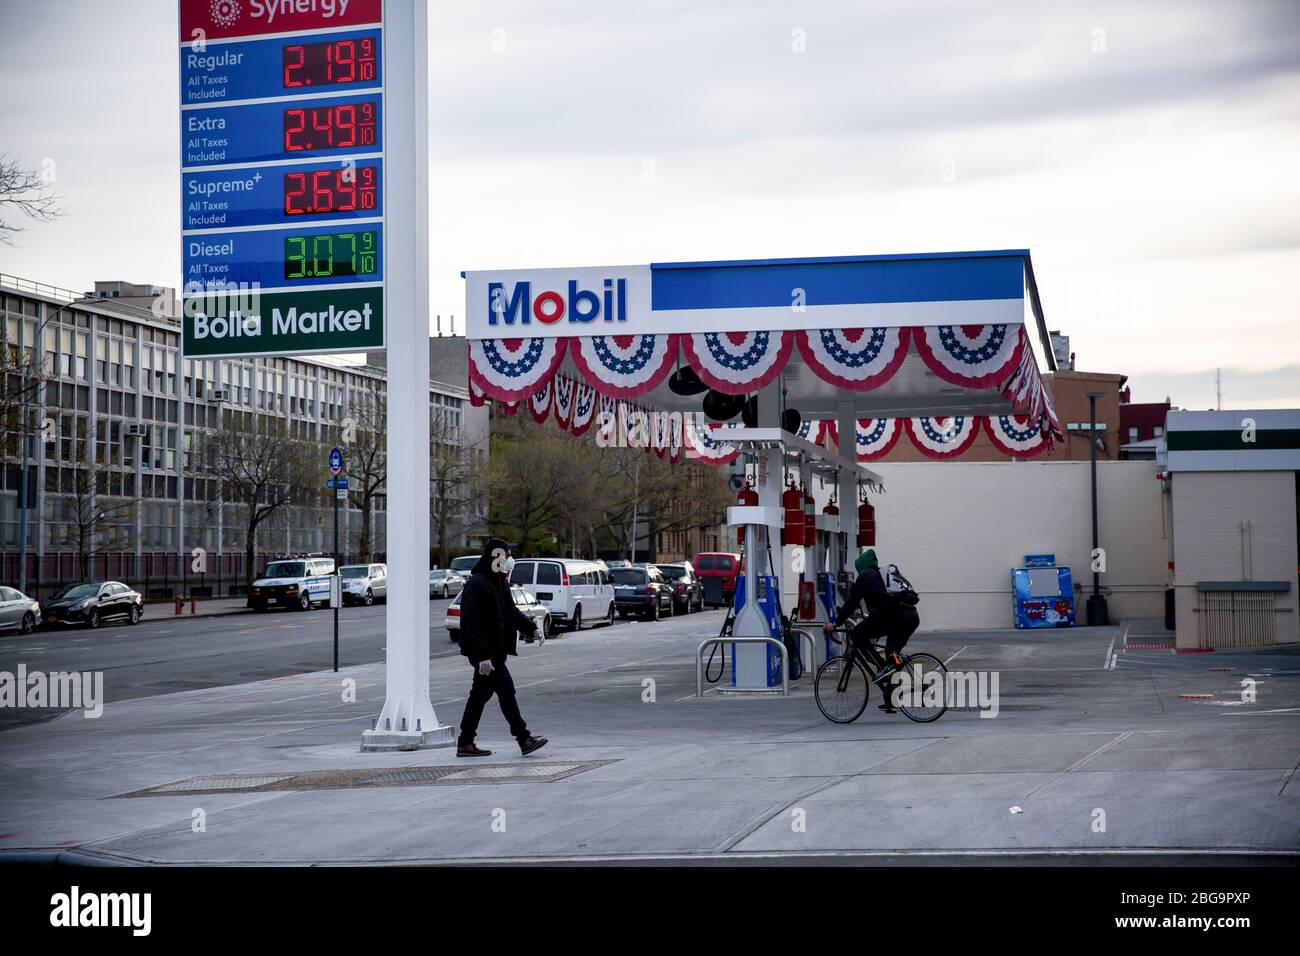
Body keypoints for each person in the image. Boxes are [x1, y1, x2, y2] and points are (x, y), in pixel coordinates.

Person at [456, 538, 548, 757]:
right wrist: (483, 657)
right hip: (487, 654)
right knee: (507, 691)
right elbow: (472, 623)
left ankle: (465, 742)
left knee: (479, 696)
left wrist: (532, 629)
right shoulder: (477, 584)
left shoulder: (498, 582)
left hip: (495, 651)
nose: (508, 559)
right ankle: (523, 738)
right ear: (495, 556)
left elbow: (511, 613)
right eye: (505, 554)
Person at [823, 548, 920, 713]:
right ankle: (891, 698)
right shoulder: (881, 576)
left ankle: (882, 667)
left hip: (893, 618)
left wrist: (836, 624)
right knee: (891, 652)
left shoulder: (865, 576)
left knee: (856, 635)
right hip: (910, 616)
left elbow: (851, 602)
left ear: (861, 567)